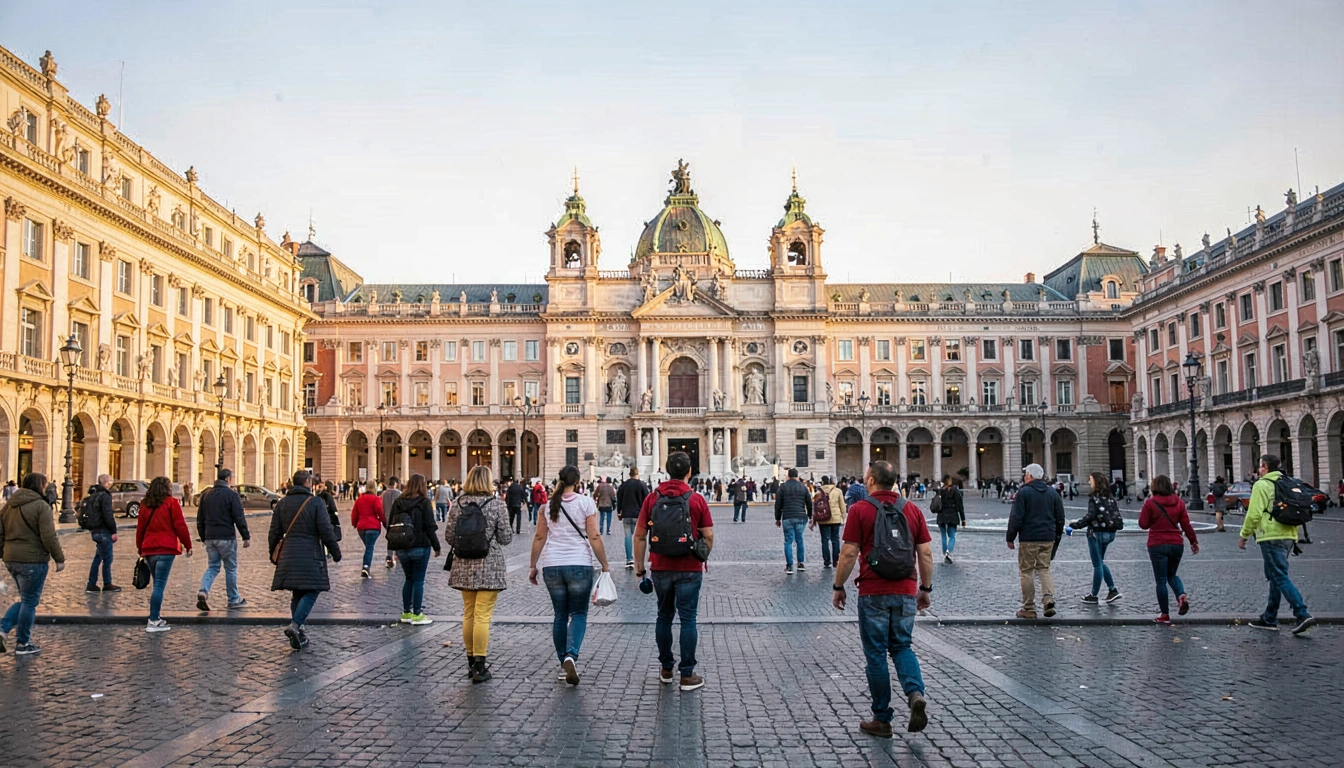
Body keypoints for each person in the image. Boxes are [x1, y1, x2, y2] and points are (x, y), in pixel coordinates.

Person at [832, 460, 932, 737]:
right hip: (905, 590)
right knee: (902, 646)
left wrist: (838, 585)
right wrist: (926, 588)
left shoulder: (860, 509)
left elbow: (849, 553)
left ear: (873, 481)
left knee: (876, 654)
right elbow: (925, 553)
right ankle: (914, 694)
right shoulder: (912, 509)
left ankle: (882, 719)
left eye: (866, 478)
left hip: (873, 591)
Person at [634, 451, 713, 692]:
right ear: (690, 471)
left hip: (660, 566)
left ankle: (666, 668)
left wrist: (639, 568)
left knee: (664, 617)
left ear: (667, 471)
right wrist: (702, 554)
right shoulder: (697, 499)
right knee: (688, 619)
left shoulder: (652, 498)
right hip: (690, 567)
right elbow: (708, 535)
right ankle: (687, 675)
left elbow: (639, 535)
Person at [529, 465, 610, 686]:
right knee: (579, 613)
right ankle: (570, 656)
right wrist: (605, 564)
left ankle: (562, 663)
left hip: (552, 566)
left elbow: (539, 538)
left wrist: (532, 566)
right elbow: (594, 536)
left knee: (560, 615)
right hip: (579, 564)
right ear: (578, 481)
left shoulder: (547, 506)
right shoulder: (585, 503)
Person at [447, 465, 512, 683]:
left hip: (464, 565)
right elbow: (505, 538)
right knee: (482, 616)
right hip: (489, 566)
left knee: (469, 614)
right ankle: (480, 666)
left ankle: (470, 663)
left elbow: (449, 536)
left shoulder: (457, 504)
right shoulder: (496, 505)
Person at [1241, 455, 1316, 634]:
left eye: (1260, 467)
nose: (1259, 470)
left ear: (1265, 467)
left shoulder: (1262, 485)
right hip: (1289, 534)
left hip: (1270, 535)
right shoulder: (1288, 482)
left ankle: (1302, 613)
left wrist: (1244, 535)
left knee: (1279, 576)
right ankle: (1269, 618)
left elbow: (1254, 514)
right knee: (1276, 576)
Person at [270, 470, 341, 650]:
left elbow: (274, 532)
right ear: (308, 483)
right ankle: (295, 625)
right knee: (313, 589)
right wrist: (335, 551)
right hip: (310, 553)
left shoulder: (282, 503)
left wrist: (273, 553)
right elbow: (325, 530)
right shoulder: (315, 502)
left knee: (297, 592)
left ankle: (300, 632)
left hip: (289, 554)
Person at [0, 473, 65, 655]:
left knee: (25, 600)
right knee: (29, 601)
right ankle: (23, 643)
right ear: (40, 486)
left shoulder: (8, 506)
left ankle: (3, 629)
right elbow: (48, 536)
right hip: (33, 560)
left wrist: (4, 553)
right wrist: (59, 558)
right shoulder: (41, 506)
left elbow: (0, 533)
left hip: (11, 559)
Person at [1138, 474, 1199, 625]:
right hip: (1177, 544)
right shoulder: (1179, 503)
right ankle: (1181, 594)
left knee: (1161, 581)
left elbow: (1143, 524)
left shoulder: (1150, 503)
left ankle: (1165, 614)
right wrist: (1193, 541)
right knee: (1172, 574)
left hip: (1157, 544)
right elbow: (1186, 525)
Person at [1006, 463, 1065, 619]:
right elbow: (1060, 517)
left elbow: (1016, 517)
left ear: (1030, 476)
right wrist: (1056, 535)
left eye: (1026, 474)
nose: (1025, 476)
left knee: (1026, 572)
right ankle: (1048, 598)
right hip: (1048, 538)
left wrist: (1010, 537)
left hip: (1029, 538)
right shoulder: (1053, 493)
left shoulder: (1023, 493)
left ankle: (1029, 608)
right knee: (1044, 569)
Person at [135, 476, 193, 633]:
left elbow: (140, 528)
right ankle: (153, 620)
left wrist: (140, 547)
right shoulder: (172, 503)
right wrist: (188, 545)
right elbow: (180, 526)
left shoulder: (145, 504)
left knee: (157, 585)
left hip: (149, 549)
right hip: (166, 549)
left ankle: (156, 617)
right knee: (159, 585)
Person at [388, 473, 440, 625]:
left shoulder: (398, 502)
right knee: (418, 580)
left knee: (408, 579)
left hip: (402, 545)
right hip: (420, 545)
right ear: (422, 486)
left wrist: (393, 547)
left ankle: (406, 612)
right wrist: (436, 546)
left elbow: (390, 524)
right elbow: (430, 527)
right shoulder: (424, 502)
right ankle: (417, 613)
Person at [195, 468, 251, 612]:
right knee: (230, 568)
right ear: (227, 479)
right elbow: (239, 517)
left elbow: (200, 519)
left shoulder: (206, 496)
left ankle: (203, 590)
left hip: (210, 537)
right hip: (226, 537)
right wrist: (245, 536)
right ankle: (233, 598)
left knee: (213, 566)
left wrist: (203, 536)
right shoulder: (232, 495)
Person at [1066, 472, 1123, 604]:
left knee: (1097, 564)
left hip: (1096, 533)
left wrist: (1075, 525)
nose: (1089, 482)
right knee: (1101, 563)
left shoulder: (1094, 497)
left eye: (1090, 480)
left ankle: (1094, 595)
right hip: (1110, 533)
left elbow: (1091, 516)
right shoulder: (1110, 497)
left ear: (1096, 482)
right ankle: (1112, 590)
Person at [84, 474, 121, 593]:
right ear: (106, 483)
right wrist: (113, 531)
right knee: (107, 559)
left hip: (94, 530)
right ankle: (107, 583)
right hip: (104, 531)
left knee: (98, 557)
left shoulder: (93, 495)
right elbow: (108, 515)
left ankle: (92, 584)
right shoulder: (105, 496)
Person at [774, 467, 813, 574]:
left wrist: (777, 518)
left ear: (788, 475)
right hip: (801, 516)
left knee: (788, 541)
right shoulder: (803, 487)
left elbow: (778, 504)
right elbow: (809, 503)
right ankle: (800, 563)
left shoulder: (783, 487)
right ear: (796, 475)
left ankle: (789, 565)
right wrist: (810, 516)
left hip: (787, 516)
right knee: (799, 540)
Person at [810, 476, 846, 568]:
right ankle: (836, 561)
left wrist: (813, 519)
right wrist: (843, 517)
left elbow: (814, 507)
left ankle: (827, 561)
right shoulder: (838, 491)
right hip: (836, 518)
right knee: (835, 540)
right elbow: (842, 506)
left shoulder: (818, 492)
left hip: (823, 519)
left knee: (825, 540)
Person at [351, 484, 386, 578]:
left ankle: (366, 565)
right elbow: (380, 511)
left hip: (361, 527)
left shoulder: (360, 499)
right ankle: (366, 567)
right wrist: (385, 523)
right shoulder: (375, 499)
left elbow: (354, 513)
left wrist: (354, 524)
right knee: (369, 547)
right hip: (373, 526)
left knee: (368, 547)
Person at [616, 468, 649, 569]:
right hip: (639, 515)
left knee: (628, 536)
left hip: (627, 514)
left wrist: (619, 511)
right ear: (637, 474)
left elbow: (619, 498)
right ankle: (639, 560)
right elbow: (647, 500)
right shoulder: (642, 485)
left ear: (629, 474)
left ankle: (629, 559)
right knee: (640, 537)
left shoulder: (624, 485)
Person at [934, 476, 966, 565]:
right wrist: (963, 519)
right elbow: (960, 506)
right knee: (952, 536)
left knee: (943, 536)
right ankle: (949, 551)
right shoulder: (955, 491)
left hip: (941, 516)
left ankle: (945, 554)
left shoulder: (940, 491)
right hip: (952, 515)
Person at [380, 476, 402, 569]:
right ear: (396, 483)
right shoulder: (399, 493)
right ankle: (398, 555)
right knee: (398, 537)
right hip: (396, 518)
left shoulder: (383, 494)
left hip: (386, 519)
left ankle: (389, 556)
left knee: (390, 537)